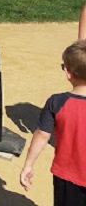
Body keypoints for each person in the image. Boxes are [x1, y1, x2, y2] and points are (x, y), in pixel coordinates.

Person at [19, 39, 86, 203]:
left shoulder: (56, 102)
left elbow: (42, 135)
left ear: (68, 73)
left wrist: (28, 164)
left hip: (68, 177)